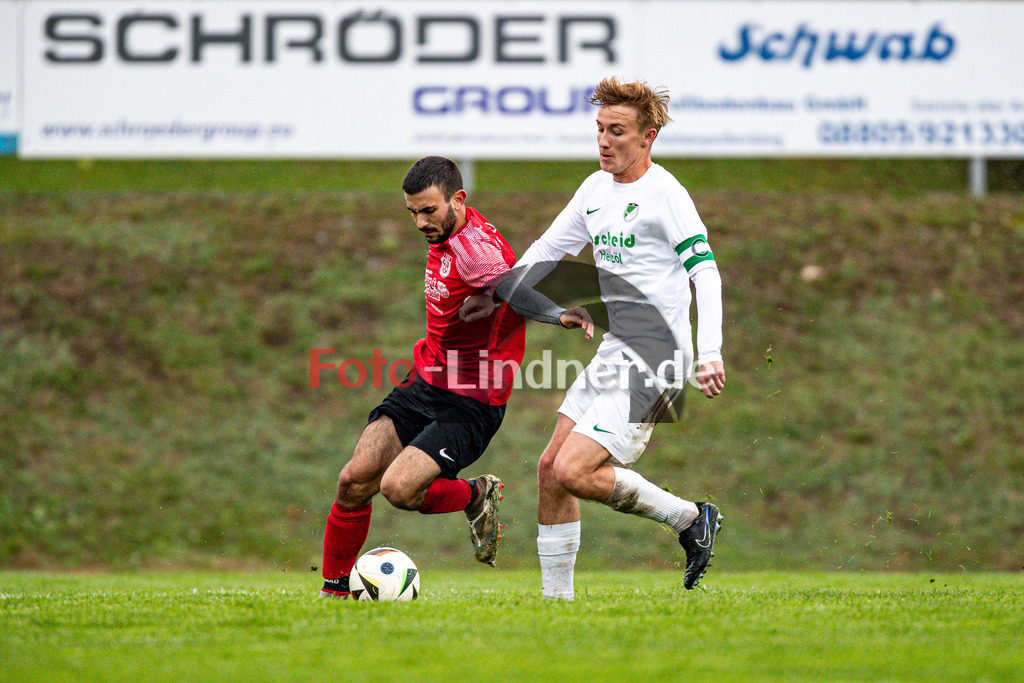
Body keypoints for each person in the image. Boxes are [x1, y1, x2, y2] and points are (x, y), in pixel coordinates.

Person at [462, 77, 726, 597]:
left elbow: (706, 273)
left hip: (660, 357)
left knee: (573, 469)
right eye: (600, 129)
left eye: (617, 131)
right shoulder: (595, 189)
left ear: (648, 137)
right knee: (549, 469)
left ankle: (690, 518)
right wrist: (499, 292)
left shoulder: (666, 195)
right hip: (615, 350)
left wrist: (710, 351)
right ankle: (557, 604)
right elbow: (547, 249)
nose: (604, 141)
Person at [319, 156, 592, 599]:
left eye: (428, 211)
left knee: (399, 489)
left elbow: (510, 289)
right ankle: (332, 594)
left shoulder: (475, 250)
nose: (420, 223)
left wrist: (557, 314)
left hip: (472, 401)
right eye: (412, 212)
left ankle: (474, 494)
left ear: (458, 199)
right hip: (426, 380)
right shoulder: (448, 229)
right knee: (354, 479)